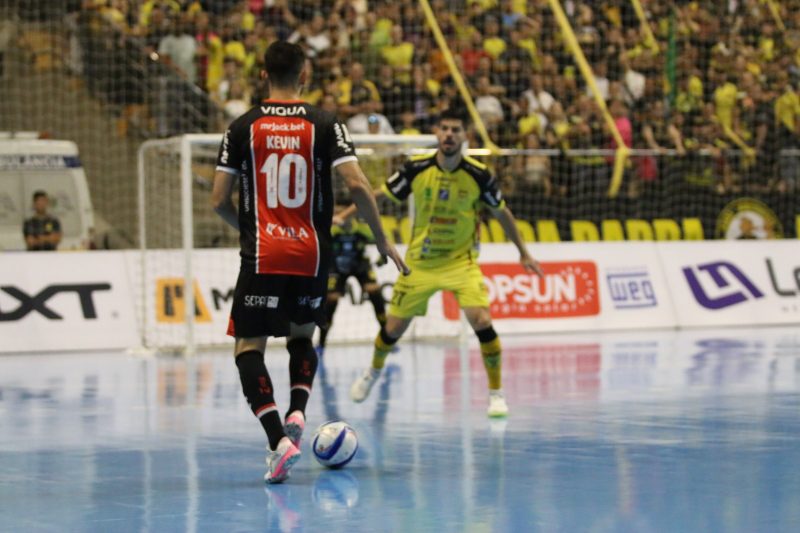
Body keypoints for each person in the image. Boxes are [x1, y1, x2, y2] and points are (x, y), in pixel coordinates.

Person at [211, 41, 407, 484]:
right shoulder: (324, 123)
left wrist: (252, 228)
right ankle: (299, 410)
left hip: (263, 252)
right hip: (312, 253)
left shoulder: (242, 127)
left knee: (248, 348)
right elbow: (357, 184)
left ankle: (278, 439)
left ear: (263, 75)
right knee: (302, 337)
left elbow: (219, 200)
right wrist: (382, 240)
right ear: (305, 76)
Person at [342, 106, 543, 417]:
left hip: (461, 263)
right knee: (393, 328)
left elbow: (501, 212)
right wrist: (345, 214)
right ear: (437, 133)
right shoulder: (417, 167)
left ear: (465, 136)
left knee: (482, 321)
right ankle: (372, 372)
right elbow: (380, 193)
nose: (449, 135)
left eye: (456, 130)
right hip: (419, 264)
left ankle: (496, 393)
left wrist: (523, 252)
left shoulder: (479, 174)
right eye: (444, 129)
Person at [317, 206, 388, 354]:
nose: (339, 217)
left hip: (360, 265)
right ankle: (322, 343)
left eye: (342, 213)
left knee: (374, 291)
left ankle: (387, 338)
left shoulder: (361, 229)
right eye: (336, 214)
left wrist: (383, 256)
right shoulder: (332, 231)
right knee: (331, 300)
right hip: (337, 267)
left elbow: (382, 239)